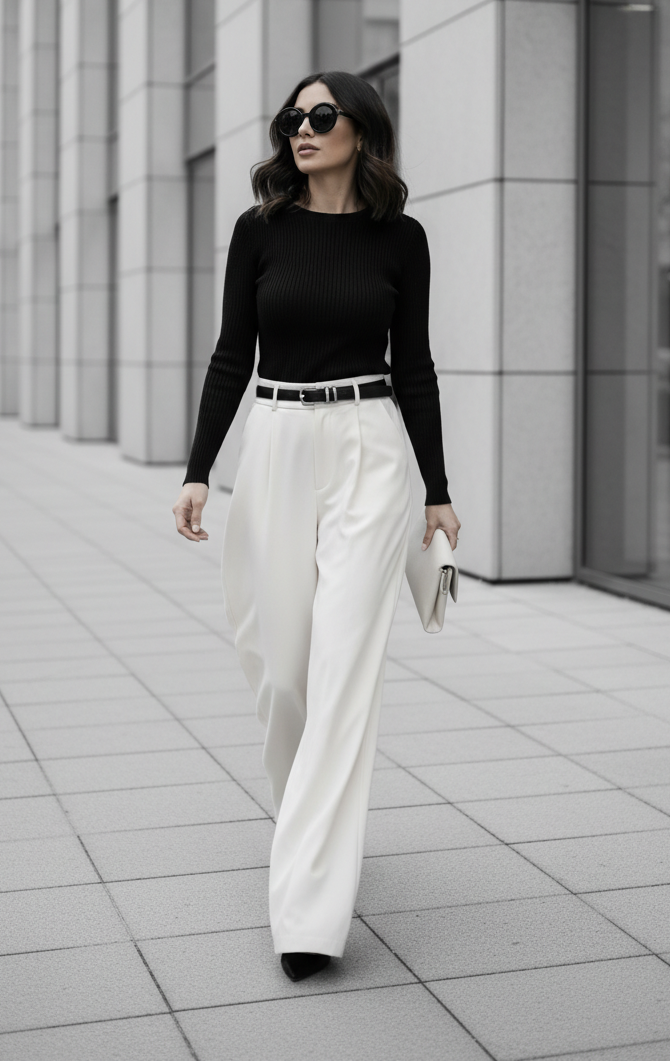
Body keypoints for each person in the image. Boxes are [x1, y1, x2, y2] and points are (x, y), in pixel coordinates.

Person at [172, 70, 460, 983]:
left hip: (371, 446)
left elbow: (413, 366)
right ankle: (306, 817)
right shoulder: (259, 232)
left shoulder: (401, 240)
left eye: (322, 117)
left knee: (343, 669)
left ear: (361, 132)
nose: (302, 129)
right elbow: (230, 356)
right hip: (279, 440)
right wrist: (196, 470)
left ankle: (307, 912)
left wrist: (438, 491)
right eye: (293, 118)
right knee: (282, 671)